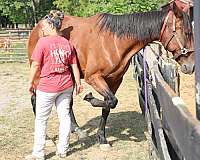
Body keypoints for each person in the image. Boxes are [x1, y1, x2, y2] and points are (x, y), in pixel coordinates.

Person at [26, 10, 83, 160]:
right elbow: (74, 65)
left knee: (41, 119)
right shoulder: (67, 43)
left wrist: (30, 82)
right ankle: (62, 150)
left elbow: (35, 65)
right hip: (66, 86)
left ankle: (39, 153)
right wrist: (78, 83)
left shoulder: (43, 42)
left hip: (47, 87)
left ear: (52, 25)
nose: (42, 29)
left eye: (44, 26)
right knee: (65, 117)